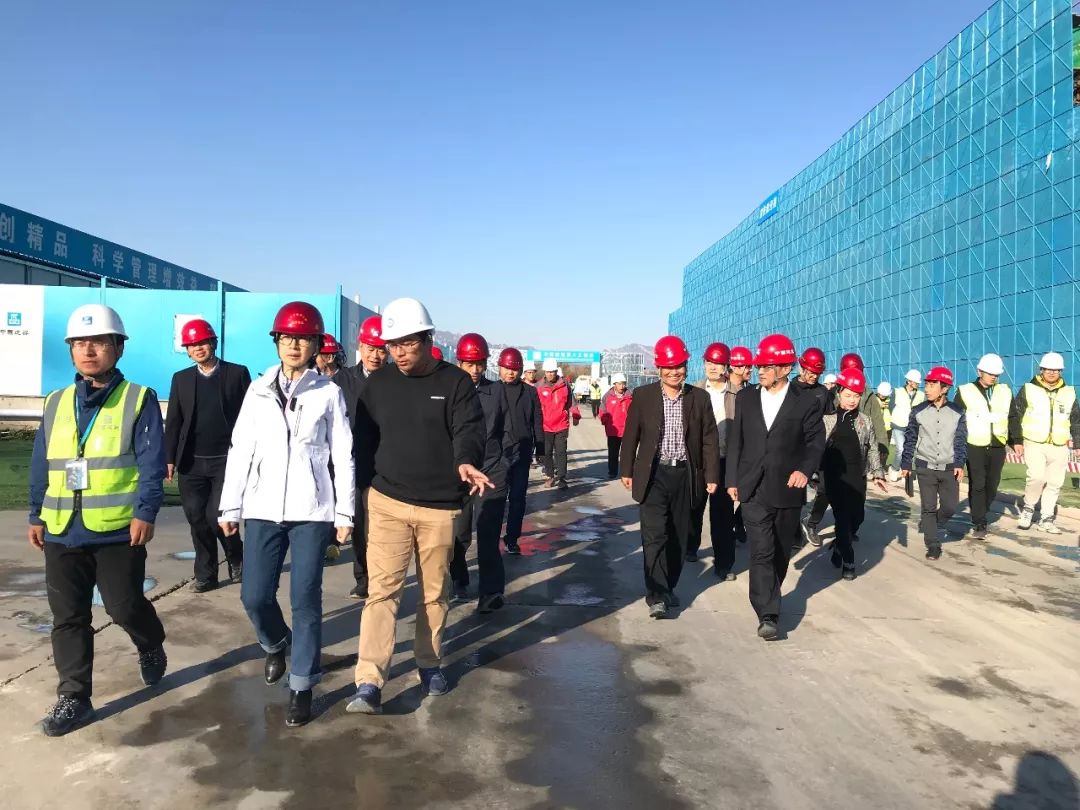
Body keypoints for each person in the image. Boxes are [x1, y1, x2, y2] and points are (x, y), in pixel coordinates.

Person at [28, 304, 168, 736]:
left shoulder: (138, 399)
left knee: (123, 606)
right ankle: (74, 697)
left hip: (117, 528)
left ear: (118, 348)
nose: (88, 351)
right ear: (71, 349)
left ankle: (150, 642)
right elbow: (41, 462)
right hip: (61, 527)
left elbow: (151, 462)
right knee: (68, 616)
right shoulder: (55, 402)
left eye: (99, 343)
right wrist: (36, 513)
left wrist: (146, 511)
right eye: (80, 343)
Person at [346, 298, 488, 715]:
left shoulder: (455, 383)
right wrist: (362, 492)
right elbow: (362, 441)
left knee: (433, 593)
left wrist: (466, 461)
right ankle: (369, 681)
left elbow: (468, 430)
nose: (399, 353)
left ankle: (429, 663)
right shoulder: (378, 385)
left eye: (408, 343)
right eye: (393, 345)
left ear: (427, 339)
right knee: (381, 592)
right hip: (387, 501)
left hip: (439, 508)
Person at [218, 302, 354, 728]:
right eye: (288, 338)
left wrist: (345, 512)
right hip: (262, 508)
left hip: (312, 509)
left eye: (304, 339)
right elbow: (241, 449)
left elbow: (343, 454)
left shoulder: (327, 392)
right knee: (254, 595)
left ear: (316, 345)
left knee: (305, 599)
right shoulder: (257, 390)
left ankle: (302, 684)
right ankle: (276, 643)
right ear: (277, 342)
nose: (295, 345)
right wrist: (231, 504)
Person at [726, 334, 824, 640]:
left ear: (784, 368)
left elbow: (815, 442)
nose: (760, 372)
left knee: (780, 552)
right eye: (759, 367)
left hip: (787, 487)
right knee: (761, 550)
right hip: (753, 487)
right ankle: (767, 613)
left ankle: (771, 593)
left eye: (767, 366)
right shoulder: (746, 398)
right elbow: (736, 441)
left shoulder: (806, 401)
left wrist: (805, 470)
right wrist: (732, 480)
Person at [620, 336, 719, 618]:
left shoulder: (699, 398)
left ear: (686, 367)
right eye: (669, 367)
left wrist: (712, 475)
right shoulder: (643, 396)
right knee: (654, 535)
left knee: (678, 536)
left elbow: (709, 439)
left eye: (679, 366)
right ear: (659, 368)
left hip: (685, 475)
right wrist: (626, 469)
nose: (674, 372)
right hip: (653, 474)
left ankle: (668, 587)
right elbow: (631, 435)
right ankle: (657, 594)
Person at [165, 318, 251, 592]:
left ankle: (236, 557)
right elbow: (174, 421)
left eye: (203, 342)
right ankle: (206, 574)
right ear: (187, 351)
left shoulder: (237, 374)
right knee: (196, 518)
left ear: (213, 343)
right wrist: (169, 458)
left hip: (226, 460)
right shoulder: (181, 379)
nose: (198, 348)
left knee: (218, 516)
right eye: (192, 345)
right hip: (191, 462)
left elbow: (251, 417)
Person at [449, 333, 511, 613]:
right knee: (459, 534)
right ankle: (458, 578)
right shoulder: (449, 390)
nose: (475, 370)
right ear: (459, 363)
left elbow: (508, 430)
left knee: (488, 532)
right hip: (459, 473)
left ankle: (491, 591)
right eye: (469, 364)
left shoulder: (497, 392)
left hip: (491, 470)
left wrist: (503, 463)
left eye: (479, 364)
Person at [330, 314, 387, 599]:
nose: (375, 355)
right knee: (360, 526)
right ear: (360, 346)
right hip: (354, 465)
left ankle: (382, 577)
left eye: (381, 349)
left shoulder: (396, 380)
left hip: (387, 465)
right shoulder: (342, 380)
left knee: (383, 529)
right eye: (370, 348)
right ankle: (363, 577)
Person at [803, 351, 884, 546]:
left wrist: (879, 460)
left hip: (857, 459)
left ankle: (848, 530)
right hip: (832, 458)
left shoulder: (869, 397)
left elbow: (878, 428)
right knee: (825, 493)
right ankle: (812, 523)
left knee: (857, 504)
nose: (852, 398)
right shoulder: (829, 395)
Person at [821, 368, 887, 580]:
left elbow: (873, 447)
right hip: (834, 477)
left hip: (857, 476)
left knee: (857, 518)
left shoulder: (865, 421)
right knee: (842, 519)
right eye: (848, 395)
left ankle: (839, 546)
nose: (852, 400)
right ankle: (849, 560)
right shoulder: (828, 420)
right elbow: (815, 448)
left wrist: (878, 472)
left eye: (856, 396)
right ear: (839, 393)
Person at [1008, 352, 1080, 534]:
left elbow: (1076, 420)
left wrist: (1078, 444)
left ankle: (1046, 518)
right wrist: (1016, 440)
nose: (1052, 373)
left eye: (1056, 370)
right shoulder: (1029, 389)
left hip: (1059, 444)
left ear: (1061, 371)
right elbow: (1015, 415)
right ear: (1041, 370)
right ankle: (1028, 508)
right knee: (1036, 477)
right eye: (1048, 369)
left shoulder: (1069, 392)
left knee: (1055, 482)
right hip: (1034, 442)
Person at [901, 366, 966, 561]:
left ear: (944, 388)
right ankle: (933, 544)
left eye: (932, 385)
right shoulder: (918, 411)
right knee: (928, 508)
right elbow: (910, 438)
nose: (927, 389)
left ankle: (930, 525)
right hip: (925, 467)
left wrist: (959, 463)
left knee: (950, 508)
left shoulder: (958, 412)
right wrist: (906, 464)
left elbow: (960, 440)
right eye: (926, 385)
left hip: (949, 468)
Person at [688, 342, 737, 577]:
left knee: (723, 515)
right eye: (709, 362)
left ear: (726, 366)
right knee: (693, 507)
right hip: (699, 460)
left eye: (717, 363)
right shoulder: (693, 391)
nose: (712, 367)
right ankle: (689, 547)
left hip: (725, 460)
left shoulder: (738, 394)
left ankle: (723, 563)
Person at [955, 354, 1012, 538]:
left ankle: (980, 510)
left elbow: (1012, 415)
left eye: (996, 374)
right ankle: (979, 521)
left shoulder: (1005, 391)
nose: (994, 376)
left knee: (992, 484)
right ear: (979, 371)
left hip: (997, 444)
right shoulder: (965, 391)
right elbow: (956, 418)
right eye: (990, 373)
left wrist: (1016, 440)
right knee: (978, 483)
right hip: (974, 444)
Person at [498, 347, 544, 555]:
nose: (510, 372)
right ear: (500, 367)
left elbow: (537, 421)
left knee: (517, 499)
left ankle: (512, 538)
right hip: (497, 455)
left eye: (515, 369)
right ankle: (492, 536)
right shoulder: (492, 390)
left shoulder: (530, 392)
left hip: (522, 453)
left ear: (521, 370)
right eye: (507, 368)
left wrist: (540, 447)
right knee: (496, 499)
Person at [536, 358, 580, 489]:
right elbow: (534, 406)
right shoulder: (538, 387)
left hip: (561, 424)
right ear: (545, 372)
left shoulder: (564, 385)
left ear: (556, 371)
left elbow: (571, 402)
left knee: (561, 452)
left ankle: (562, 478)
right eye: (548, 372)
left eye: (553, 372)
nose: (550, 374)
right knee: (547, 453)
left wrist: (576, 414)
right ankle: (550, 476)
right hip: (545, 426)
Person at [890, 370, 925, 480]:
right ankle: (894, 469)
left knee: (911, 450)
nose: (918, 384)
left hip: (912, 426)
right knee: (901, 449)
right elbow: (891, 407)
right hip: (898, 425)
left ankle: (906, 470)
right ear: (909, 381)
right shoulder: (897, 391)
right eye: (916, 382)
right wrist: (897, 417)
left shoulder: (921, 395)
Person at [875, 381, 893, 470]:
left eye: (884, 394)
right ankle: (874, 465)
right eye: (881, 394)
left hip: (887, 428)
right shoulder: (873, 400)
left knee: (885, 449)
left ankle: (882, 466)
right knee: (875, 448)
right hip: (876, 427)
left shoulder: (890, 401)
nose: (882, 396)